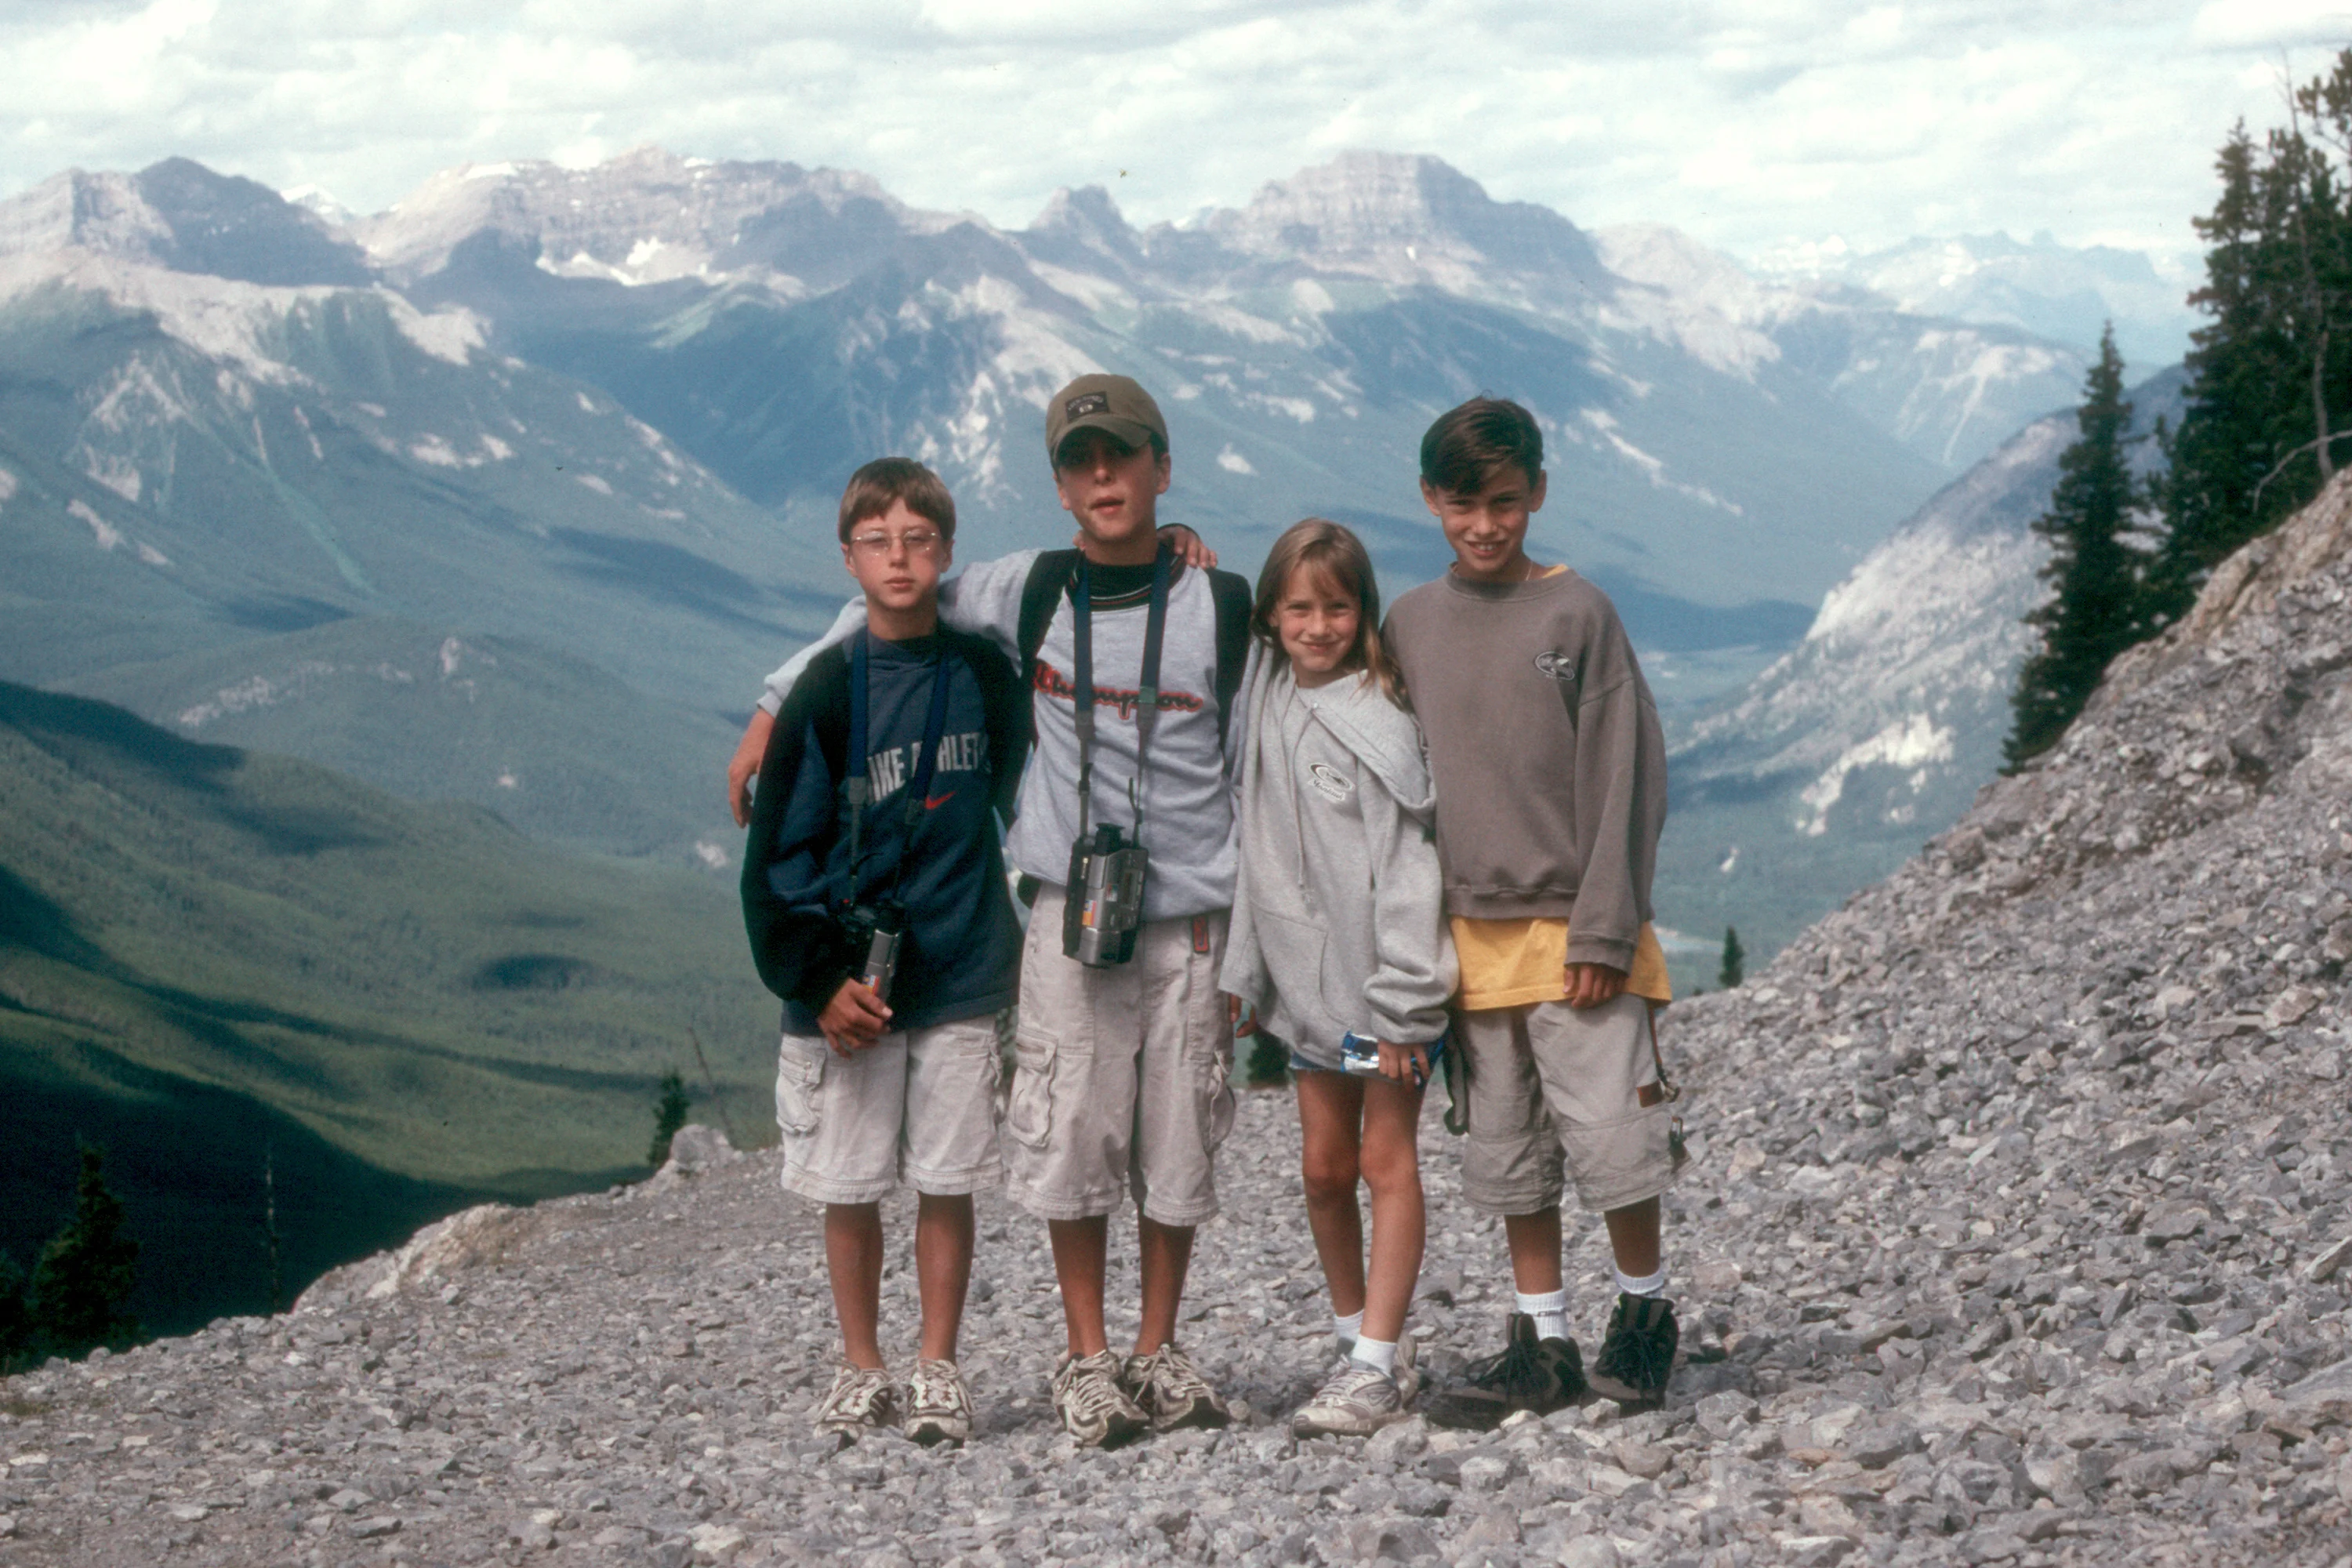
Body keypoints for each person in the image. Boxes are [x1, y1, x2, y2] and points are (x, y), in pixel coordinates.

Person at [729, 375, 1255, 1446]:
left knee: (1177, 1140)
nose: (1102, 476)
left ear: (1162, 466)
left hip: (1193, 910)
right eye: (1081, 461)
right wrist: (774, 706)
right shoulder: (1028, 590)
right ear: (1059, 482)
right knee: (1071, 1133)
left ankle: (1157, 1351)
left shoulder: (1225, 602)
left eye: (1123, 456)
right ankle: (1086, 1358)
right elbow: (884, 603)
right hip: (1071, 911)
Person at [1382, 397, 1682, 1425]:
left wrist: (1606, 927)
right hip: (1470, 940)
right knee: (1507, 1151)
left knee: (1611, 1139)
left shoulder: (1579, 614)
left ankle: (1643, 1315)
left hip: (1576, 935)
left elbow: (1626, 777)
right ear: (1432, 499)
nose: (1484, 522)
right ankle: (1541, 1336)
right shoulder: (1411, 624)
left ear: (1537, 494)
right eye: (1463, 502)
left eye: (1504, 501)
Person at [739, 457, 1029, 1448]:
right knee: (849, 1184)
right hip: (850, 986)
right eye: (878, 541)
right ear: (849, 556)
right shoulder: (826, 688)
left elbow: (1023, 796)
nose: (899, 558)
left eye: (918, 540)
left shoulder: (984, 672)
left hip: (961, 962)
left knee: (948, 1177)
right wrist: (816, 978)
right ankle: (862, 1364)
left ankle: (937, 1364)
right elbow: (777, 851)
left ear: (946, 554)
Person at [1219, 520, 1457, 1438]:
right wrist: (1247, 969)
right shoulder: (1270, 688)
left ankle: (1375, 1364)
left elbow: (1408, 873)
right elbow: (1261, 850)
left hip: (1384, 994)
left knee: (1383, 1161)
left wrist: (1406, 1009)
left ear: (1362, 613)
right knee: (1323, 1169)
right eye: (1298, 607)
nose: (1316, 625)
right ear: (1272, 615)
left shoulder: (1379, 720)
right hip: (1307, 991)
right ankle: (1354, 1334)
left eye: (1337, 606)